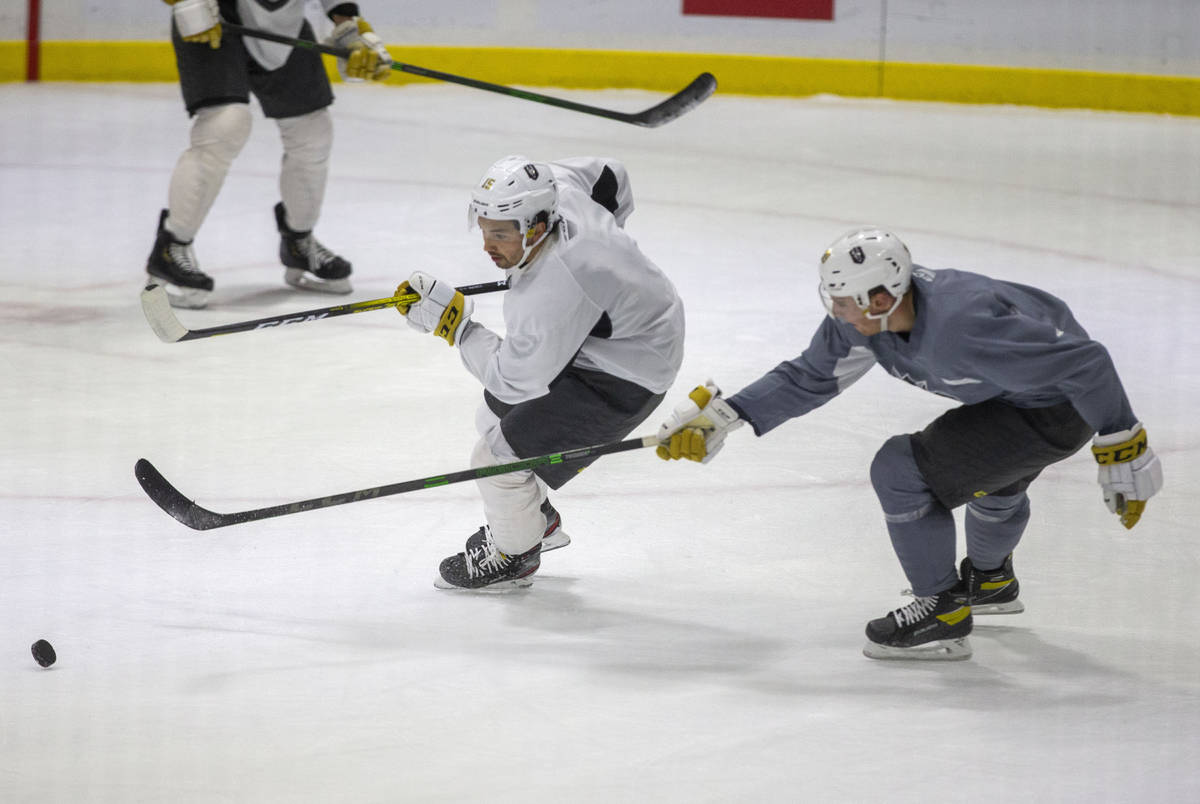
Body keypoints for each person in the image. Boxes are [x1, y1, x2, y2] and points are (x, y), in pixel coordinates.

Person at [656, 227, 1162, 661]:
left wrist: (1123, 443)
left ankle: (941, 608)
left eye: (844, 302)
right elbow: (811, 376)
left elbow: (1086, 363)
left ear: (881, 299)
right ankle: (989, 583)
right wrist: (724, 416)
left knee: (901, 470)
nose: (836, 311)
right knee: (992, 477)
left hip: (1056, 405)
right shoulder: (872, 319)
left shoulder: (962, 328)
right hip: (1019, 395)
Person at [396, 155, 685, 591]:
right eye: (485, 228)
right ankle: (537, 520)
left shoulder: (550, 291)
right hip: (621, 330)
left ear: (535, 224)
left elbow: (511, 379)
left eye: (501, 234)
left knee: (495, 459)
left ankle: (515, 557)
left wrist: (454, 326)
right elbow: (611, 174)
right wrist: (608, 253)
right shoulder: (559, 189)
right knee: (493, 419)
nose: (488, 246)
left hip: (630, 372)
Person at [146, 0, 393, 308]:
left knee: (312, 130)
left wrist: (349, 30)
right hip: (213, 14)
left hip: (282, 23)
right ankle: (172, 247)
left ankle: (299, 241)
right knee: (225, 124)